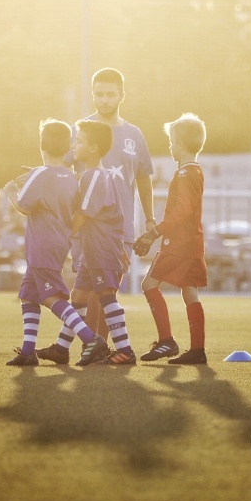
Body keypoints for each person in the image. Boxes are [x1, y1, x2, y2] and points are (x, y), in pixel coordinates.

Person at [3, 119, 108, 367]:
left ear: (42, 146)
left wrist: (9, 191)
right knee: (29, 295)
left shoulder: (40, 173)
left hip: (41, 244)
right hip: (58, 243)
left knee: (52, 297)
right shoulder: (69, 176)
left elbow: (23, 207)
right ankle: (28, 351)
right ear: (67, 147)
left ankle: (91, 339)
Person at [38, 120, 136, 365]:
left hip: (103, 250)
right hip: (91, 253)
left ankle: (125, 350)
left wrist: (60, 238)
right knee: (79, 296)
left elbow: (82, 214)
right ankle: (62, 349)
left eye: (79, 141)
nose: (74, 145)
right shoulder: (88, 175)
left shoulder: (94, 176)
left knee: (106, 296)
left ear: (92, 148)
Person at [68, 68, 155, 339]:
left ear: (121, 95)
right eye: (99, 94)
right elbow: (66, 172)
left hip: (120, 228)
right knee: (85, 289)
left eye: (110, 94)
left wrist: (150, 220)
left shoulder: (134, 135)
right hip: (85, 225)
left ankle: (99, 345)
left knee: (106, 289)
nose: (104, 100)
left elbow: (143, 180)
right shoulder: (80, 130)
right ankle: (90, 345)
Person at [134, 114, 208, 364]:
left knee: (148, 285)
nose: (170, 146)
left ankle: (166, 341)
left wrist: (155, 232)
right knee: (190, 294)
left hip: (178, 245)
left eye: (171, 141)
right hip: (193, 243)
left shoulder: (185, 174)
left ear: (181, 144)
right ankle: (198, 350)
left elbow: (182, 210)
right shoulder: (195, 171)